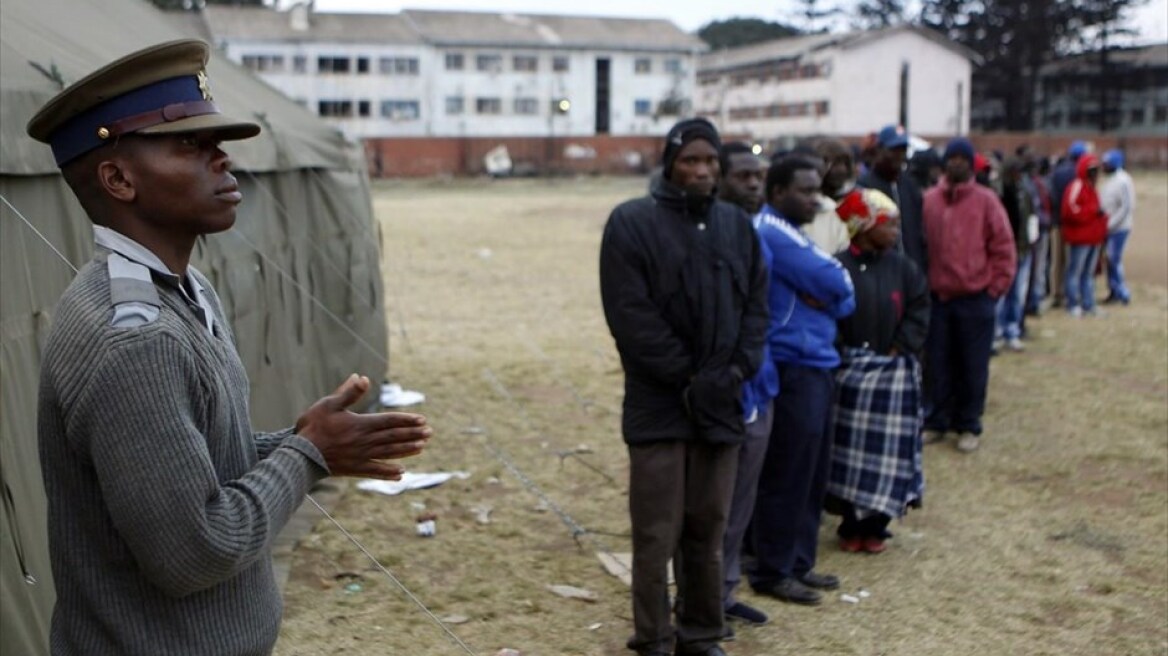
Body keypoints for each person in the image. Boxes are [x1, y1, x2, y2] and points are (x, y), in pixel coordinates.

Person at [28, 40, 434, 655]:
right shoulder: (135, 339)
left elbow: (191, 465)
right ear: (117, 178)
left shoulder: (181, 290)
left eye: (217, 144)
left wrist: (303, 441)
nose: (222, 161)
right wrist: (305, 454)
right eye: (190, 146)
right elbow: (194, 552)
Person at [599, 118, 769, 656]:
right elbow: (630, 316)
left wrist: (735, 371)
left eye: (711, 162)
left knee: (708, 528)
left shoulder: (736, 226)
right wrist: (688, 376)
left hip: (720, 403)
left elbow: (756, 310)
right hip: (659, 405)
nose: (701, 170)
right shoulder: (631, 223)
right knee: (656, 533)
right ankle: (653, 637)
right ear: (670, 162)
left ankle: (700, 632)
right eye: (690, 160)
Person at [749, 157, 855, 606]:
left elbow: (844, 296)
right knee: (789, 471)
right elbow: (836, 281)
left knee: (812, 472)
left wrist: (833, 292)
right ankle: (773, 569)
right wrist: (831, 292)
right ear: (776, 193)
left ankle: (798, 561)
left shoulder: (795, 233)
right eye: (805, 191)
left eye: (817, 190)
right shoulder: (773, 232)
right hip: (794, 363)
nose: (815, 199)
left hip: (815, 360)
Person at [826, 188, 929, 554]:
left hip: (892, 373)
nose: (896, 232)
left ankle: (877, 525)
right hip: (850, 374)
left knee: (887, 452)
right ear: (864, 226)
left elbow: (919, 307)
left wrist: (901, 345)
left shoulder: (904, 268)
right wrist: (842, 352)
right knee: (849, 450)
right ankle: (851, 523)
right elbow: (827, 315)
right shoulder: (837, 267)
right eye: (889, 224)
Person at [714, 142, 779, 632]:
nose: (754, 184)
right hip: (722, 390)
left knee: (741, 503)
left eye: (759, 175)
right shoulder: (707, 236)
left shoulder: (761, 233)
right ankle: (700, 600)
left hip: (761, 385)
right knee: (709, 508)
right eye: (743, 176)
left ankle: (726, 590)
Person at [921, 138, 1016, 453]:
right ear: (944, 163)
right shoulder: (929, 201)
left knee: (972, 366)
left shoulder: (986, 201)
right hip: (938, 299)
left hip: (976, 299)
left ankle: (968, 424)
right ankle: (937, 421)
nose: (957, 164)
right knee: (937, 364)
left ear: (971, 163)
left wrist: (993, 291)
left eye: (963, 158)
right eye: (952, 158)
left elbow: (1003, 249)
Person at [857, 125, 926, 275]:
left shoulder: (909, 185)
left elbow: (919, 231)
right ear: (879, 150)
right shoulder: (864, 187)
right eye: (894, 150)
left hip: (911, 273)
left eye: (903, 150)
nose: (899, 155)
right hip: (877, 274)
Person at [1061, 154, 1109, 317]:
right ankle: (1073, 304)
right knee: (1075, 272)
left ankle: (1089, 304)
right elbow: (1070, 211)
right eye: (1092, 170)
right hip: (1080, 238)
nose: (1095, 173)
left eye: (1097, 170)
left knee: (1088, 274)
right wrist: (1093, 212)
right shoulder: (1077, 186)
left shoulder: (1092, 188)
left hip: (1094, 238)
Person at [996, 157, 1036, 351]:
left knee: (1017, 294)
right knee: (1004, 293)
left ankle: (1012, 329)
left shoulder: (1024, 192)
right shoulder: (1001, 193)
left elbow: (1029, 217)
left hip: (1022, 248)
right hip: (1007, 250)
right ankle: (999, 330)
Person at [1049, 141, 1088, 307]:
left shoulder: (1057, 172)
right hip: (1074, 224)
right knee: (1074, 261)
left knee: (1058, 261)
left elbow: (1051, 195)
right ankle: (1073, 294)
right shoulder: (1080, 174)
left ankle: (1057, 293)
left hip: (1057, 222)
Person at [803, 137, 854, 255]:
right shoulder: (807, 203)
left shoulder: (855, 199)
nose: (841, 170)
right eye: (835, 164)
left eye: (845, 164)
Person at [1100, 149, 1135, 306]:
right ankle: (1113, 291)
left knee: (1114, 259)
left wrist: (1111, 224)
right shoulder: (1110, 179)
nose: (1103, 166)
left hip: (1119, 228)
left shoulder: (1123, 180)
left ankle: (1122, 292)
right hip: (1108, 227)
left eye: (1106, 164)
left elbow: (1127, 206)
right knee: (1109, 259)